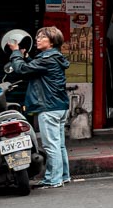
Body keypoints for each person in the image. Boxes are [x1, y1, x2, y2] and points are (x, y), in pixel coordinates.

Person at [8, 27, 71, 189]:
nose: (37, 39)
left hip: (49, 107)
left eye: (42, 37)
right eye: (37, 36)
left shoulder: (47, 59)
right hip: (59, 106)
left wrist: (15, 52)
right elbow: (34, 69)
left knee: (51, 145)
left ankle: (54, 179)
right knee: (59, 144)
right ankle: (64, 175)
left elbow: (21, 69)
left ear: (52, 42)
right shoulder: (53, 57)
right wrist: (26, 57)